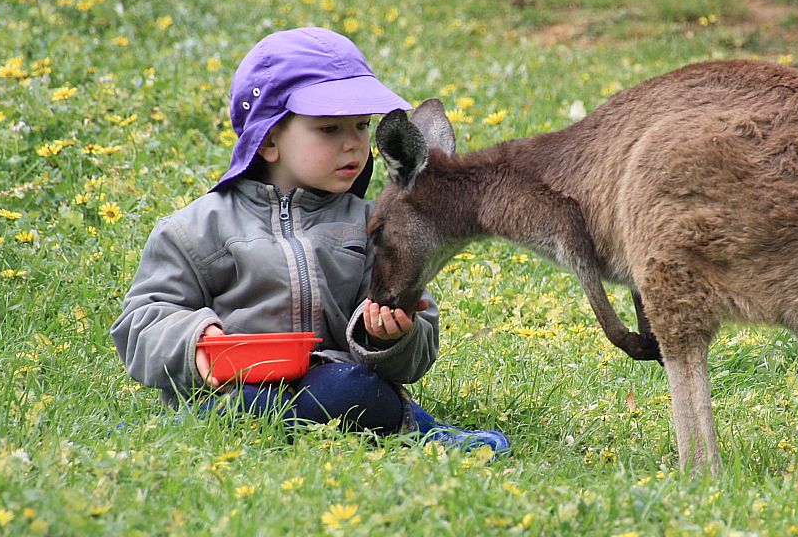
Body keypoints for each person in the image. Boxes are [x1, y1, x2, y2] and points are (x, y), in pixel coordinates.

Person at [110, 27, 508, 454]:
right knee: (251, 405)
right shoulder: (197, 228)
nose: (353, 143)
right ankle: (255, 424)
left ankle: (410, 427)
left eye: (361, 125)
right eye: (329, 129)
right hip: (235, 388)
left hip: (334, 381)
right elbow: (143, 318)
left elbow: (421, 331)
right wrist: (195, 340)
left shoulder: (373, 226)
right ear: (269, 141)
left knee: (354, 391)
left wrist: (387, 337)